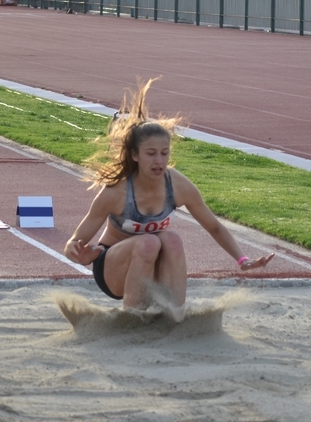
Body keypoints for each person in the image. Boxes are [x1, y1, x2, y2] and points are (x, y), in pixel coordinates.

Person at [64, 81, 273, 313]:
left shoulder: (178, 186)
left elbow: (213, 226)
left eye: (164, 153)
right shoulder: (117, 192)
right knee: (150, 242)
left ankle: (174, 315)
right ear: (135, 155)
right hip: (112, 270)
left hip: (151, 266)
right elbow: (72, 243)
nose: (159, 161)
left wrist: (243, 260)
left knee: (171, 240)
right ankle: (133, 319)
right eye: (151, 154)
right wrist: (78, 253)